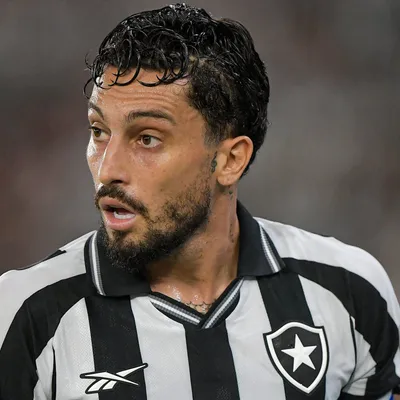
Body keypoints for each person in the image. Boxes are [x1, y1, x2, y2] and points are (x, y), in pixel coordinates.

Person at [0, 4, 399, 399]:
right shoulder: (25, 313)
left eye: (147, 139)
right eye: (99, 131)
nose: (107, 170)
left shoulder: (349, 292)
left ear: (230, 160)